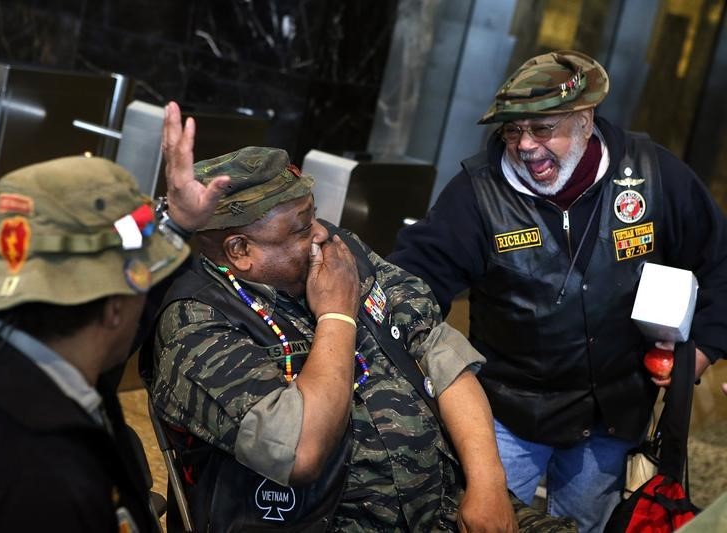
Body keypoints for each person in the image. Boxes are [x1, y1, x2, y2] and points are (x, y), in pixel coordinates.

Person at [144, 103, 579, 532]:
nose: (319, 233)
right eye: (298, 228)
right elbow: (300, 451)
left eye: (313, 215)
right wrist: (337, 313)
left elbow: (437, 349)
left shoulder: (341, 252)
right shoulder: (197, 321)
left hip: (443, 503)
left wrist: (486, 483)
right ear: (241, 252)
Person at [388, 50, 727, 532]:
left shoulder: (654, 177)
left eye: (543, 128)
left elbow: (720, 261)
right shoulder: (477, 196)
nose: (524, 145)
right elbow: (412, 287)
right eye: (512, 130)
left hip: (610, 416)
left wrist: (704, 349)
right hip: (507, 413)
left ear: (586, 120)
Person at [0, 154, 226, 532]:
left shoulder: (3, 352)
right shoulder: (46, 483)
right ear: (114, 310)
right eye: (140, 281)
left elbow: (127, 297)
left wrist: (176, 224)